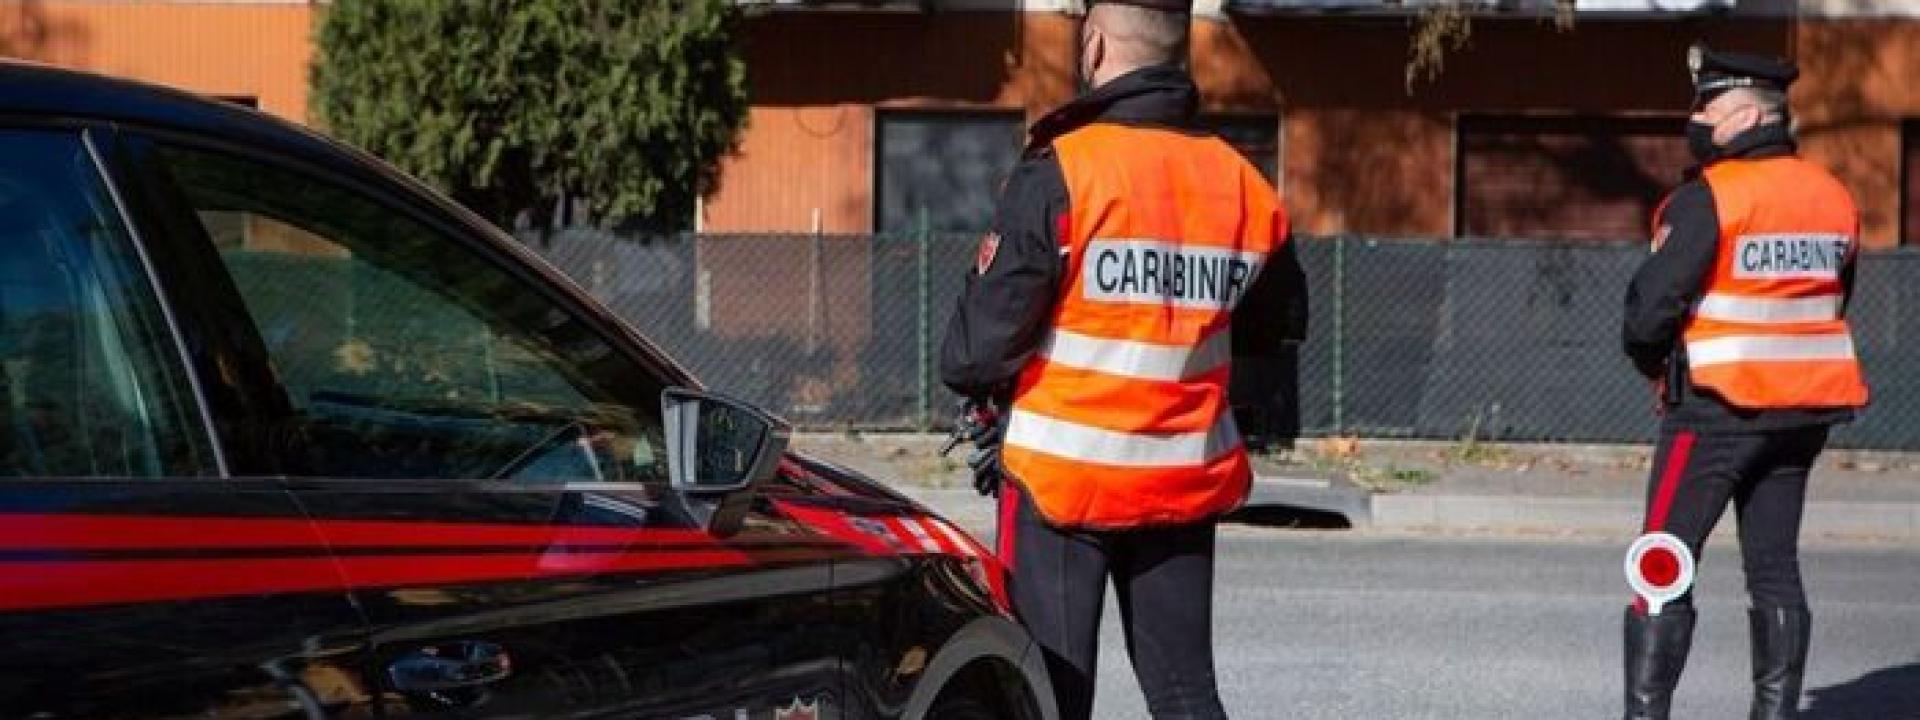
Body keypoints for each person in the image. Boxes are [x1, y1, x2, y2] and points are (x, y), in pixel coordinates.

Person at [937, 1, 1306, 717]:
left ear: (1096, 45)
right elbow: (1276, 336)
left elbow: (975, 354)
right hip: (1181, 482)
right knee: (1185, 692)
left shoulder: (1063, 172)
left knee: (1054, 694)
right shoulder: (1244, 187)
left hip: (1061, 486)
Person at [1619, 44, 1868, 720]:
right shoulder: (1832, 195)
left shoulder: (1711, 198)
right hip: (1803, 414)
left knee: (1662, 568)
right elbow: (1834, 295)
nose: (1698, 117)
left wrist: (1656, 367)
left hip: (1713, 413)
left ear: (1754, 113)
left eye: (1711, 106)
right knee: (1776, 571)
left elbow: (1649, 311)